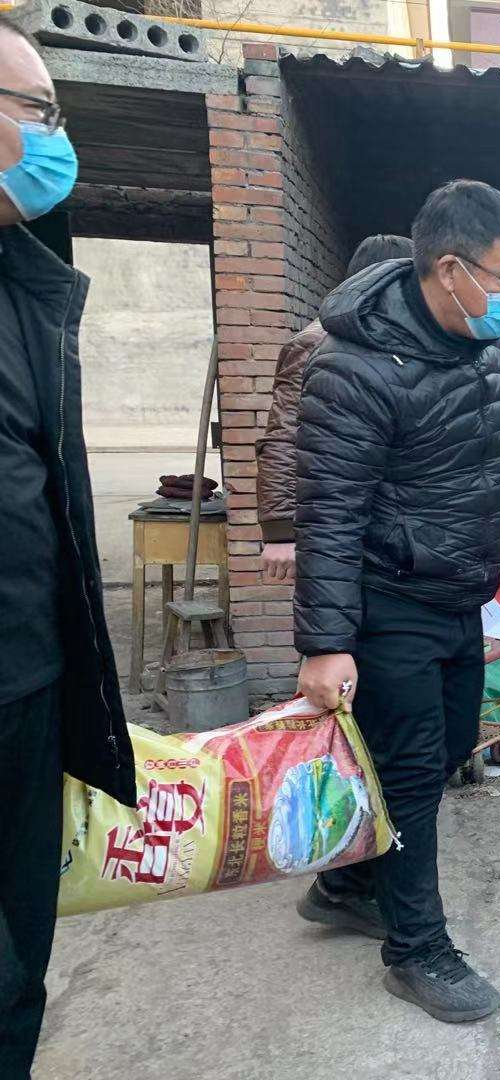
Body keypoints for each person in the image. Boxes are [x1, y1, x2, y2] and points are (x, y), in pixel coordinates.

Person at [292, 179, 500, 1023]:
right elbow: (329, 511)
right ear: (450, 269)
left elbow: (493, 443)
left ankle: (346, 885)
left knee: (442, 747)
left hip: (457, 593)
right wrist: (325, 642)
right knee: (410, 773)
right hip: (388, 599)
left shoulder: (486, 346)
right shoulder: (352, 368)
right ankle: (416, 949)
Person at [0, 17, 135, 1075]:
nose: (57, 137)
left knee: (21, 961)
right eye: (40, 111)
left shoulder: (25, 286)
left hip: (28, 681)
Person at [257, 234, 413, 584]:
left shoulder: (386, 340)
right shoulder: (316, 344)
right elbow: (284, 436)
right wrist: (280, 532)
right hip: (331, 516)